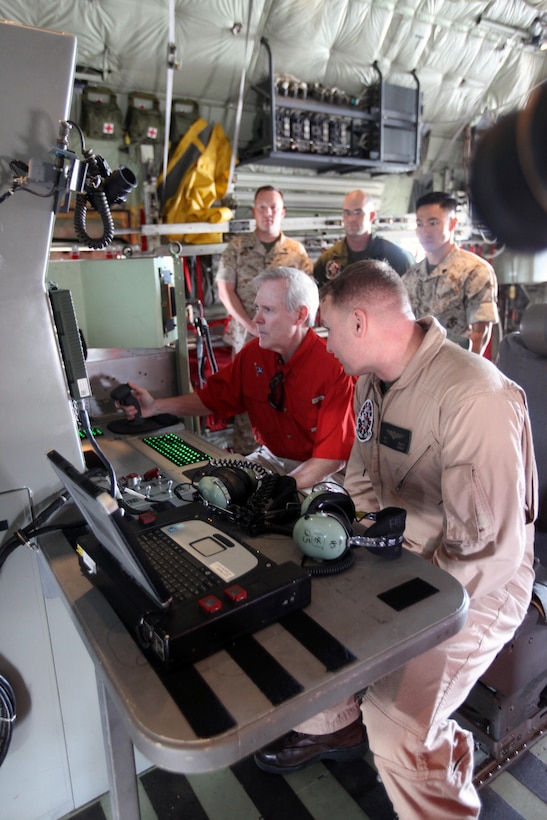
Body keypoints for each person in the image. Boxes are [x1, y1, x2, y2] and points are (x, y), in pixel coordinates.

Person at [255, 260, 537, 820]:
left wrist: (394, 613)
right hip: (399, 554)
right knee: (293, 604)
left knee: (395, 726)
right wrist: (347, 542)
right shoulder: (371, 381)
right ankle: (337, 725)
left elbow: (486, 555)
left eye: (329, 329)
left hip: (477, 584)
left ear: (359, 323)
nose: (324, 342)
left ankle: (434, 783)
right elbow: (362, 480)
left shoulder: (473, 397)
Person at [117, 267, 355, 491]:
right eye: (257, 308)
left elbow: (331, 459)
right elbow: (214, 399)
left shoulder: (335, 368)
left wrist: (280, 489)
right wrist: (155, 406)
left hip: (322, 470)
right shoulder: (253, 355)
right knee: (215, 489)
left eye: (268, 310)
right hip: (271, 458)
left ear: (300, 315)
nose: (256, 318)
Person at [216, 185, 313, 453]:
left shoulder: (296, 252)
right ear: (254, 211)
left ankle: (287, 457)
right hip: (247, 338)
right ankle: (247, 458)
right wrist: (251, 325)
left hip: (287, 345)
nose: (268, 213)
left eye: (273, 207)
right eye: (262, 207)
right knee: (250, 397)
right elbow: (225, 291)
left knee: (289, 398)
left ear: (282, 212)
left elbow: (307, 298)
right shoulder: (237, 248)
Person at [402, 191, 499, 355]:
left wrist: (466, 368)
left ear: (453, 223)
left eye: (433, 223)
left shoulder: (474, 270)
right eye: (420, 224)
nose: (425, 231)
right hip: (419, 364)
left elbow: (480, 334)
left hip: (457, 363)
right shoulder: (411, 276)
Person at [313, 189, 414, 286]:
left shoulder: (397, 257)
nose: (351, 218)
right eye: (347, 213)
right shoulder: (327, 260)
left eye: (358, 213)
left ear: (371, 216)